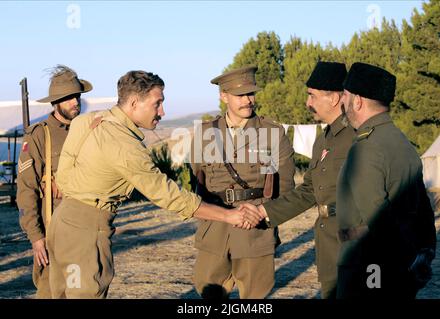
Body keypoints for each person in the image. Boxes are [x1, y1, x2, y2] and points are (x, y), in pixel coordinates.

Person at [46, 70, 262, 299]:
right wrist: (229, 216)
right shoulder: (124, 145)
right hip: (84, 232)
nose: (162, 112)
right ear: (133, 103)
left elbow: (64, 176)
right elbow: (168, 195)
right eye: (157, 103)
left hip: (62, 222)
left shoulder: (86, 121)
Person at [240, 61, 354, 298]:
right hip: (330, 243)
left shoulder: (356, 136)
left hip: (355, 243)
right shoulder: (324, 139)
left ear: (334, 98)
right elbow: (310, 190)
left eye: (312, 96)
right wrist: (264, 212)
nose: (307, 103)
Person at [189, 66, 296, 299]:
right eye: (240, 95)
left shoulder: (273, 133)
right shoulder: (205, 134)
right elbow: (197, 180)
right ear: (223, 96)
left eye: (251, 94)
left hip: (255, 229)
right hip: (214, 229)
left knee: (255, 298)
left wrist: (262, 213)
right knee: (209, 296)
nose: (248, 100)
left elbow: (286, 187)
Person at [336, 62, 436, 298]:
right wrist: (422, 254)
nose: (342, 102)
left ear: (357, 101)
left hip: (369, 266)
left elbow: (378, 219)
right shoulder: (402, 143)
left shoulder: (366, 148)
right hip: (399, 266)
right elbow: (424, 210)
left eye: (345, 96)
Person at [17, 65, 92, 298]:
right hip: (54, 234)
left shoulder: (88, 130)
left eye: (77, 96)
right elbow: (26, 189)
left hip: (86, 231)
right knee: (52, 293)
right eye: (68, 98)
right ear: (56, 102)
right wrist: (37, 238)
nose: (75, 102)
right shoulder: (40, 135)